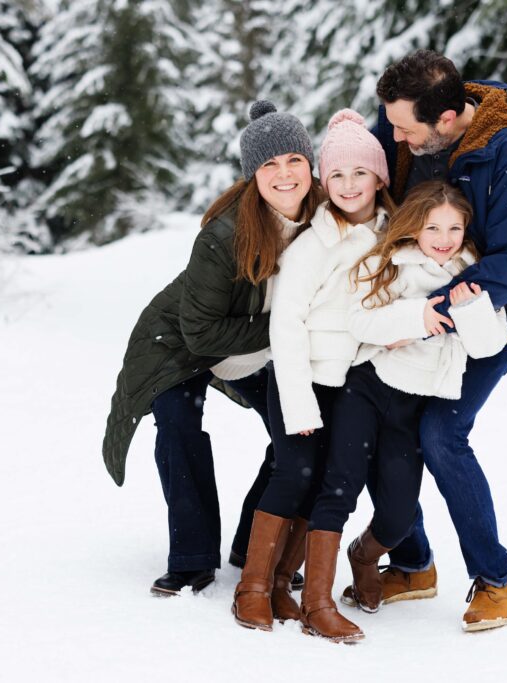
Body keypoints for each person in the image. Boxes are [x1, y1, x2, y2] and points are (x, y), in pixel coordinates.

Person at [101, 101, 324, 596]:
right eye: (268, 164)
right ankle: (191, 558)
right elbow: (200, 333)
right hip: (178, 342)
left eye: (293, 160)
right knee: (179, 426)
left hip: (257, 348)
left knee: (298, 438)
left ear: (310, 163)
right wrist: (285, 330)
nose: (284, 174)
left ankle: (252, 542)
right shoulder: (224, 235)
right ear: (251, 175)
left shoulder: (327, 219)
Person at [355, 48, 507, 631]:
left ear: (445, 120)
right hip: (409, 310)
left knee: (441, 435)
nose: (394, 138)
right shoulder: (407, 126)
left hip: (487, 320)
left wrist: (423, 313)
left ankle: (495, 580)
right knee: (380, 423)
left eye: (405, 129)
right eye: (390, 124)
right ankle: (413, 565)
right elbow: (353, 173)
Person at [300, 181, 507, 642]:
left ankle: (363, 554)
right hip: (368, 388)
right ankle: (316, 602)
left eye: (454, 227)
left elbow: (488, 344)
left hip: (414, 406)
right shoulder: (388, 261)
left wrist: (469, 305)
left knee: (397, 516)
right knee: (341, 485)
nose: (443, 236)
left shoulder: (472, 270)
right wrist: (417, 318)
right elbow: (359, 318)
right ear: (414, 224)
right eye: (433, 226)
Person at [231, 109, 393, 631]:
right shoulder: (313, 244)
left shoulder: (394, 234)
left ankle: (285, 585)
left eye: (359, 173)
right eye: (337, 175)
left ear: (380, 178)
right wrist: (298, 401)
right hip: (301, 380)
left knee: (327, 479)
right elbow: (287, 327)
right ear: (325, 180)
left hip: (352, 382)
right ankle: (253, 585)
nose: (347, 186)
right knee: (294, 470)